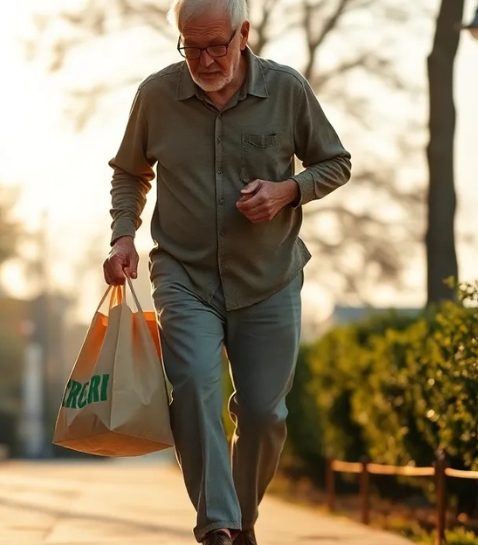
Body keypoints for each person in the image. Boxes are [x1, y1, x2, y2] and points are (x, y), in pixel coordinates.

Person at [102, 0, 351, 543]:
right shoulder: (157, 96)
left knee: (264, 413)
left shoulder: (286, 90)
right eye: (193, 47)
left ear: (244, 33)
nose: (207, 59)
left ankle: (242, 520)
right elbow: (129, 172)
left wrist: (289, 191)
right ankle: (217, 525)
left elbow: (336, 162)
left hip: (269, 277)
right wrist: (124, 234)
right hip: (184, 275)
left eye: (218, 45)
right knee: (191, 385)